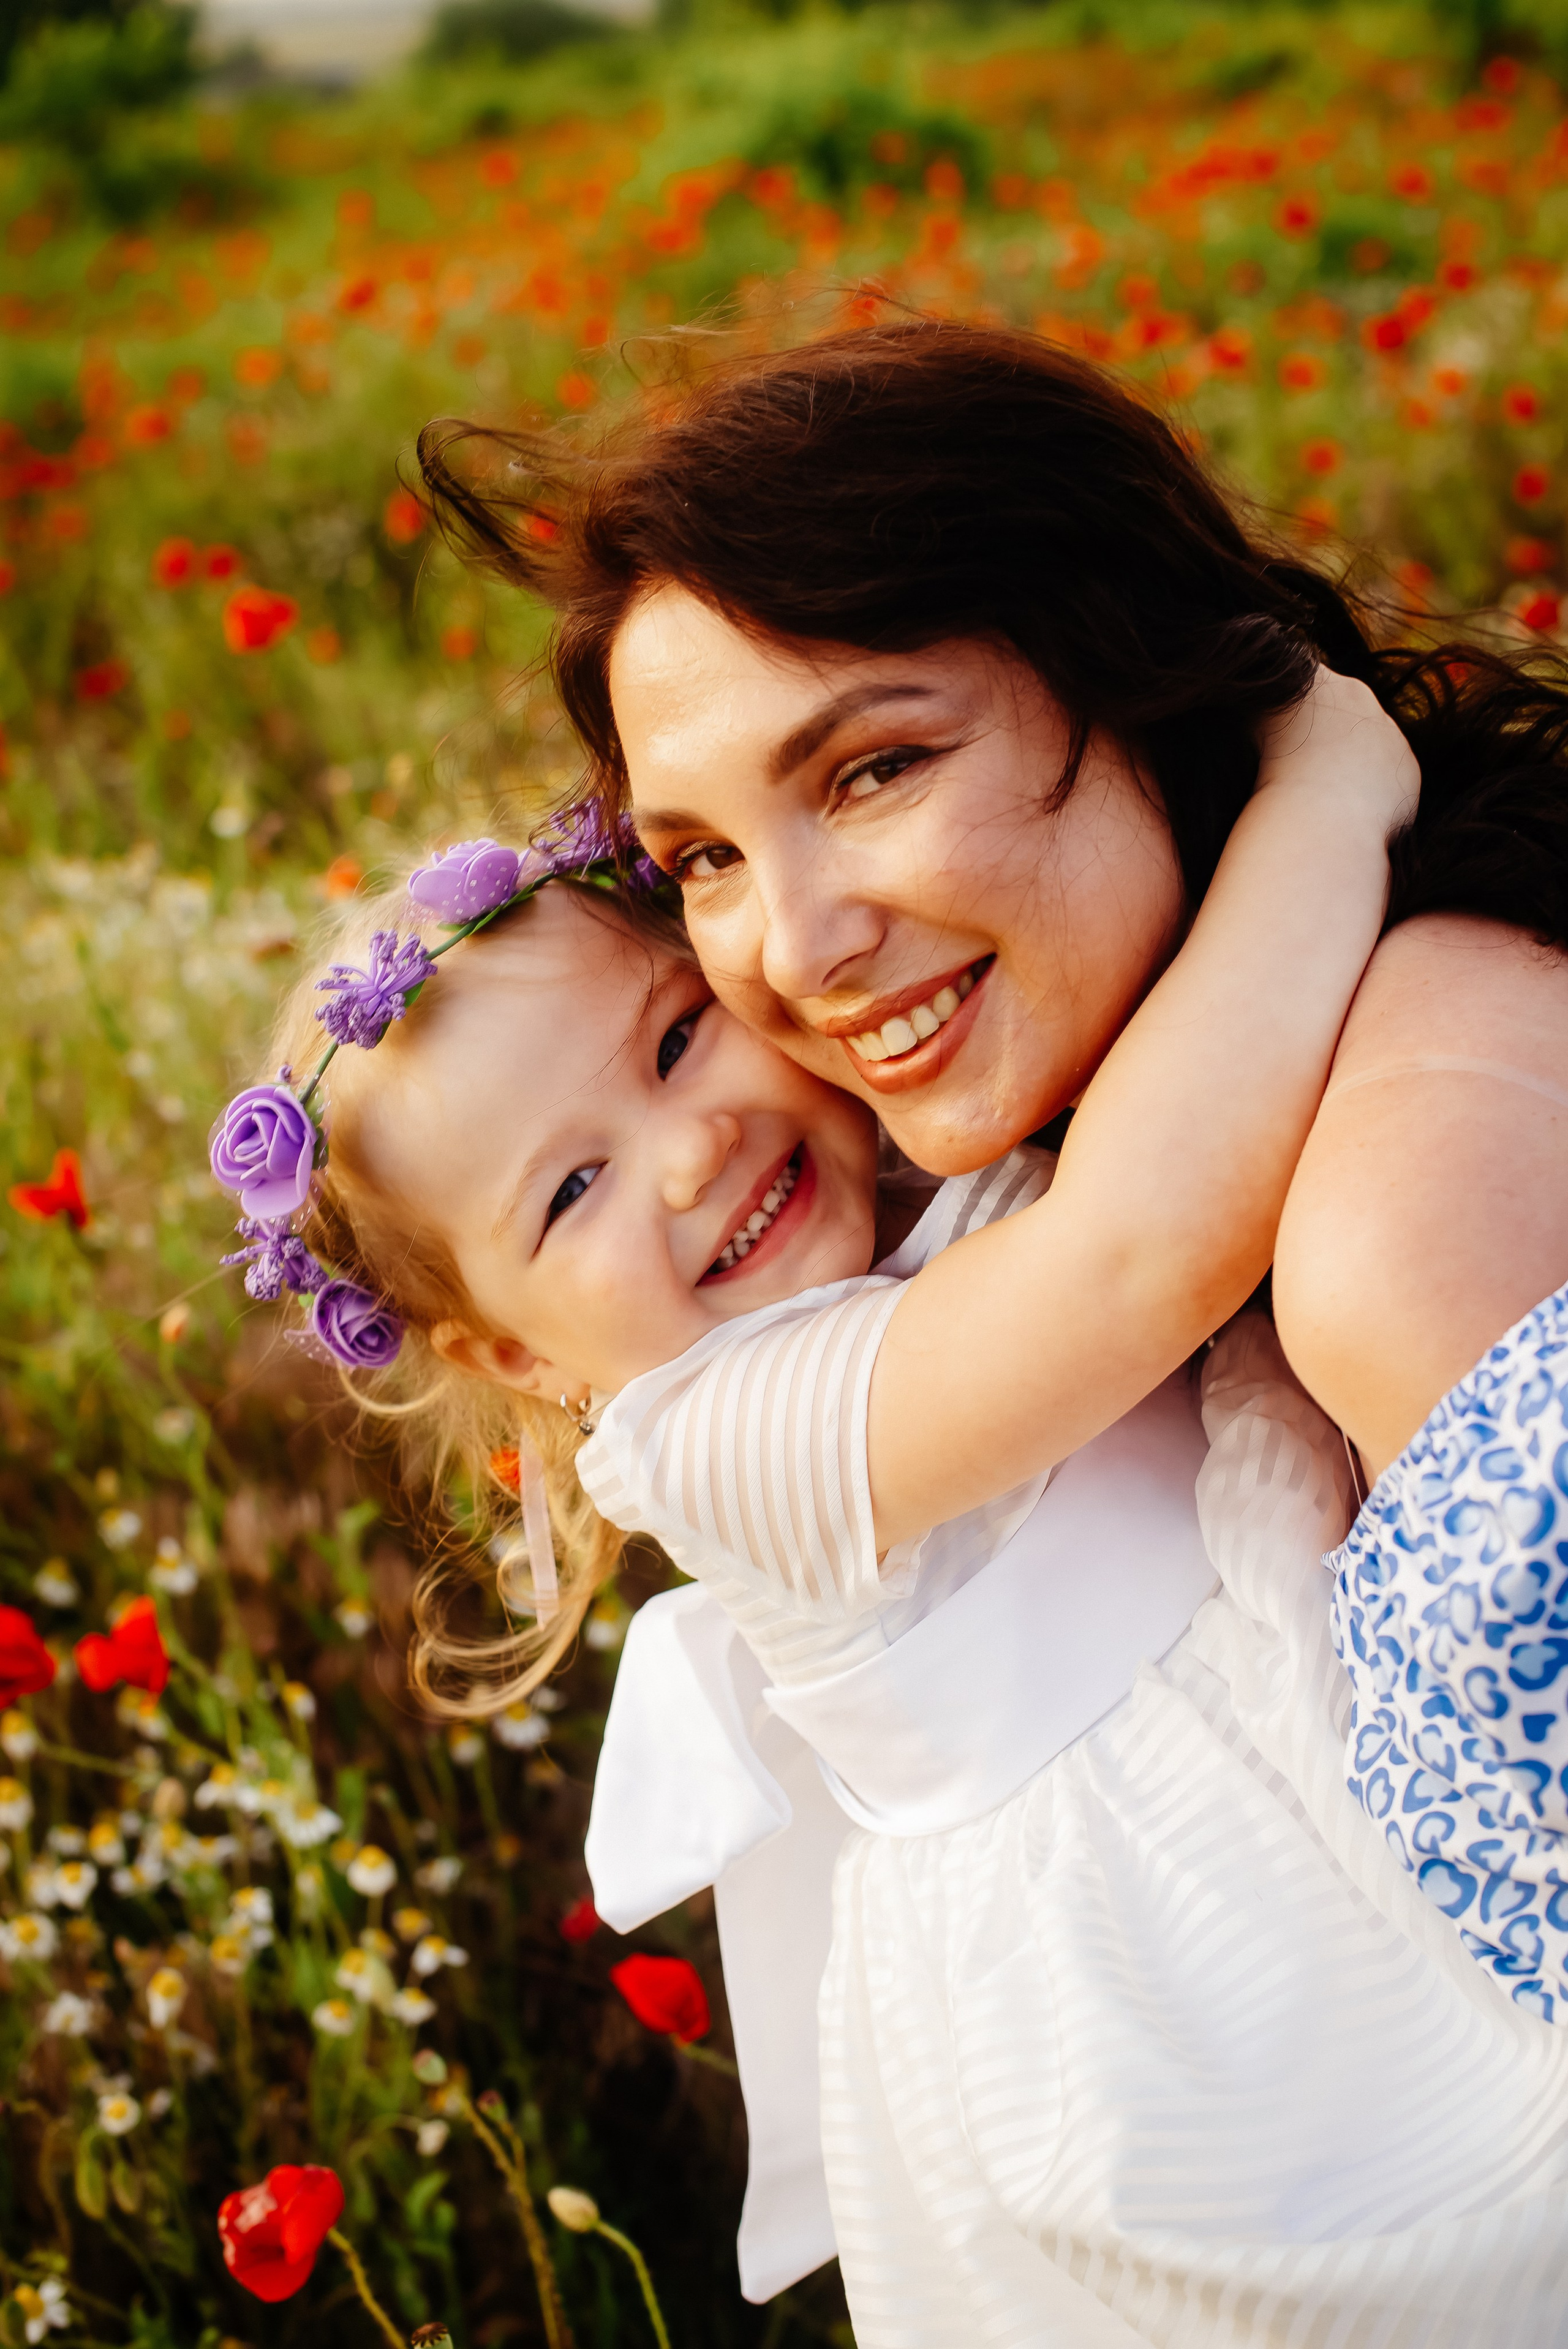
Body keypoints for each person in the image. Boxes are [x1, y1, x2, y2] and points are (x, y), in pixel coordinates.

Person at [205, 670, 1566, 2349]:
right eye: (574, 1188)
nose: (690, 1149)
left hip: (1296, 1717)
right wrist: (1326, 789)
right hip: (1154, 1972)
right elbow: (1149, 1240)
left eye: (676, 1041)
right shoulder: (713, 1438)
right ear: (520, 1354)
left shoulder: (927, 1163)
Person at [418, 313, 1568, 2038]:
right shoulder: (931, 1207)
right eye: (708, 857)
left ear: (1130, 660)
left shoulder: (1402, 1215)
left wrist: (1321, 781)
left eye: (876, 767)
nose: (797, 947)